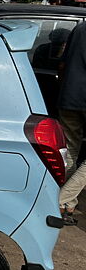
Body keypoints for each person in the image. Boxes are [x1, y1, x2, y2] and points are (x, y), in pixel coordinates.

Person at [57, 20, 86, 223]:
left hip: (69, 97)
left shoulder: (80, 27)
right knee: (71, 152)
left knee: (70, 151)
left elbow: (63, 62)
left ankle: (66, 204)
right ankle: (63, 199)